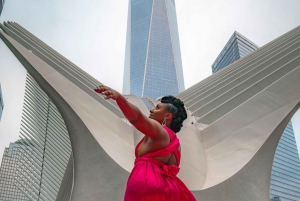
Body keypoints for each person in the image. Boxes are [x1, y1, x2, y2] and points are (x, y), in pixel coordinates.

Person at [95, 85, 196, 201]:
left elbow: (136, 118)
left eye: (157, 108)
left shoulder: (160, 132)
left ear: (168, 116)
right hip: (169, 190)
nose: (151, 110)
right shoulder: (175, 142)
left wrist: (119, 98)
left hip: (146, 186)